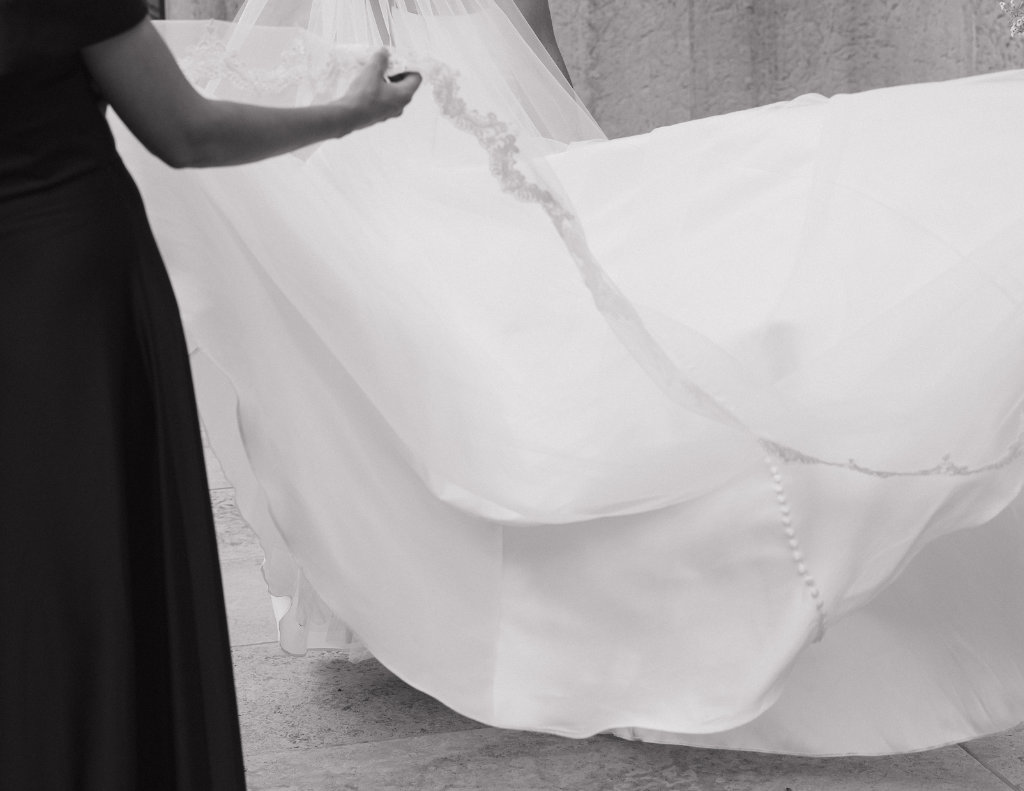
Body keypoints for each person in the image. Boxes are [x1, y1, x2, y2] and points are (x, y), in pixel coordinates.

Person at [113, 0, 1024, 757]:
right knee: (474, 339)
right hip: (407, 92)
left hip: (391, 98)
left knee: (444, 346)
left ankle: (494, 602)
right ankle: (504, 596)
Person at [0, 2, 419, 788]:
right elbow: (184, 130)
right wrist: (350, 113)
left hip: (59, 281)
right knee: (90, 558)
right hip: (69, 296)